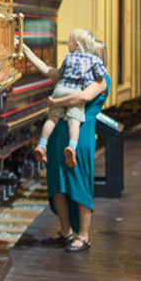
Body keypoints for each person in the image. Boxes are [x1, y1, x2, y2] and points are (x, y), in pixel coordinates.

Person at [23, 39, 109, 252]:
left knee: (79, 183)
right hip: (60, 134)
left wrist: (54, 103)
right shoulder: (73, 75)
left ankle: (84, 236)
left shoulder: (101, 79)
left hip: (80, 135)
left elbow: (83, 97)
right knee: (58, 182)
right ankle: (65, 232)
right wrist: (25, 50)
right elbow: (47, 70)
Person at [23, 29, 107, 169]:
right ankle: (72, 148)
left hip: (60, 89)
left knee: (51, 119)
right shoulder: (94, 62)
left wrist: (25, 49)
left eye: (70, 42)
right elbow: (98, 77)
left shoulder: (69, 58)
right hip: (75, 94)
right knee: (74, 122)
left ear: (78, 45)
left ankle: (42, 144)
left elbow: (54, 71)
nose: (68, 45)